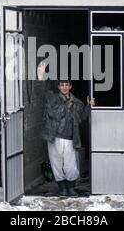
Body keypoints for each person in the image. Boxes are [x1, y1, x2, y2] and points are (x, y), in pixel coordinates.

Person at [37, 61, 95, 196]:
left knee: (70, 165)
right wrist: (41, 77)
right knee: (56, 164)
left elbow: (82, 117)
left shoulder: (77, 103)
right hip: (54, 137)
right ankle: (62, 188)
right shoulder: (52, 99)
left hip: (70, 138)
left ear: (70, 86)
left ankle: (71, 188)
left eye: (66, 85)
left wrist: (89, 105)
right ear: (58, 87)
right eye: (62, 85)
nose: (64, 87)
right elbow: (41, 93)